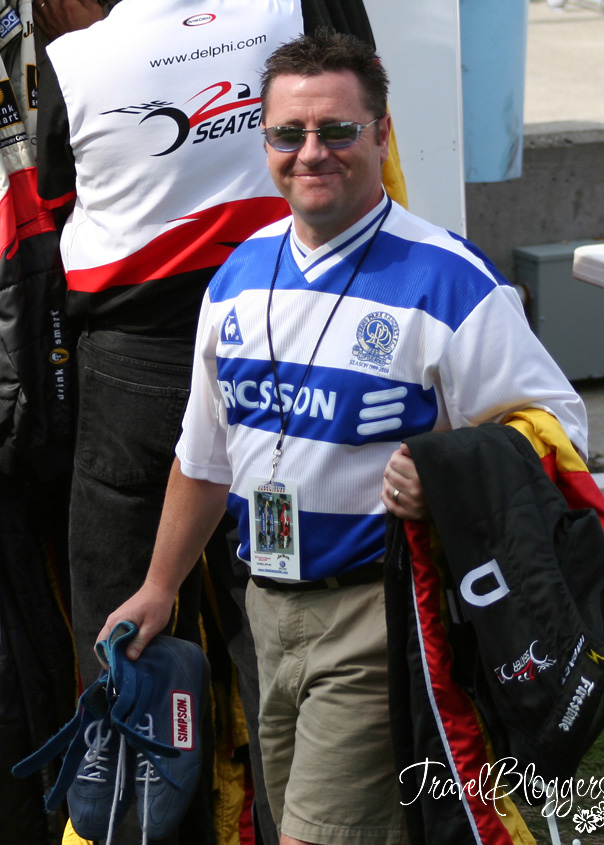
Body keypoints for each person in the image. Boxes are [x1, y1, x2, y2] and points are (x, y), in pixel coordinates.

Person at [98, 29, 588, 845]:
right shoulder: (237, 275)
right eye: (289, 134)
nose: (311, 153)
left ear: (383, 135)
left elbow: (558, 430)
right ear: (265, 141)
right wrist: (157, 588)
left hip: (376, 613)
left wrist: (447, 471)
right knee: (292, 820)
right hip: (263, 609)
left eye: (337, 130)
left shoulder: (450, 279)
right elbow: (203, 458)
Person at [35, 3, 405, 842]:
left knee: (124, 636)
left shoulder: (76, 59)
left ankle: (140, 823)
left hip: (140, 360)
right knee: (274, 634)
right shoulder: (294, 12)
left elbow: (58, 195)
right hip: (281, 342)